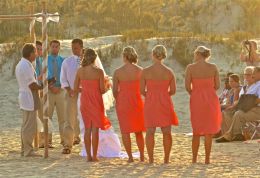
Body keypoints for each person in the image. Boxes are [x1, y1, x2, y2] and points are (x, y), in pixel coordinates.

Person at [140, 45, 178, 164]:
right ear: (164, 56)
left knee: (150, 131)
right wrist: (163, 94)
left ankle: (151, 159)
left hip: (150, 102)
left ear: (153, 55)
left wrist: (151, 95)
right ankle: (166, 159)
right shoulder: (169, 72)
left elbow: (142, 91)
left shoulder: (145, 71)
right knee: (166, 131)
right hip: (165, 102)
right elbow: (173, 91)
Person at [185, 46, 222, 164]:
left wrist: (195, 92)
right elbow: (217, 86)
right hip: (211, 99)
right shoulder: (213, 67)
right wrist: (208, 91)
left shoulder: (190, 68)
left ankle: (194, 159)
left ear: (198, 54)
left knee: (196, 130)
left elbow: (187, 87)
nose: (194, 55)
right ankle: (207, 159)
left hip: (196, 99)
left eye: (195, 53)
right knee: (208, 131)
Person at [74, 48, 111, 162]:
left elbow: (75, 88)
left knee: (87, 129)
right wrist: (107, 86)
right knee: (95, 130)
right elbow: (102, 90)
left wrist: (85, 89)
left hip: (85, 101)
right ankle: (94, 156)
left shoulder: (80, 71)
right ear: (94, 58)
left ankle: (88, 156)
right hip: (96, 102)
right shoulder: (99, 72)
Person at [113, 46, 145, 163]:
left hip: (123, 102)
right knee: (138, 131)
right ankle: (141, 155)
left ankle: (130, 157)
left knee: (125, 131)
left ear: (124, 56)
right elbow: (143, 89)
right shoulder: (141, 70)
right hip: (137, 101)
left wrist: (119, 99)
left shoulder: (118, 72)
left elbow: (115, 91)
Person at [216, 66, 260, 142]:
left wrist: (250, 104)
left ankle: (230, 135)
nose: (252, 75)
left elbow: (258, 100)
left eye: (253, 73)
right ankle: (236, 134)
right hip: (248, 108)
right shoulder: (248, 87)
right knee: (228, 113)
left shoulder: (258, 85)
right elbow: (240, 100)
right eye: (246, 74)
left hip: (256, 109)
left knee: (238, 114)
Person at [15, 43, 42, 157]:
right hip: (29, 96)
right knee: (29, 126)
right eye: (35, 52)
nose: (36, 54)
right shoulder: (26, 66)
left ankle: (24, 149)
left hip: (25, 96)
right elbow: (32, 85)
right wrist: (43, 86)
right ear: (30, 53)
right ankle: (28, 150)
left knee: (27, 124)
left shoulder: (22, 64)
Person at [60, 39, 83, 154]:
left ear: (81, 48)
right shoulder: (67, 62)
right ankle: (67, 145)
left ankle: (89, 145)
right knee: (69, 119)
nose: (74, 50)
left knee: (87, 120)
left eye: (76, 48)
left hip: (86, 95)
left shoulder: (88, 61)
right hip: (72, 94)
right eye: (72, 48)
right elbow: (63, 79)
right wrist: (69, 90)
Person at [47, 40, 65, 148]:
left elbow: (65, 74)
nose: (55, 48)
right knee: (48, 116)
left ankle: (64, 140)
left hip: (61, 90)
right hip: (49, 91)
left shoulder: (62, 60)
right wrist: (51, 86)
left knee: (62, 117)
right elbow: (44, 73)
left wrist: (60, 86)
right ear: (50, 47)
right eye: (53, 46)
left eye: (57, 47)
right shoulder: (45, 59)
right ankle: (47, 141)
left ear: (59, 48)